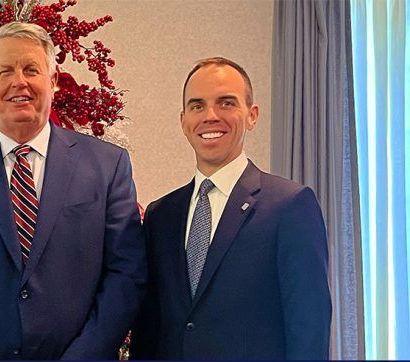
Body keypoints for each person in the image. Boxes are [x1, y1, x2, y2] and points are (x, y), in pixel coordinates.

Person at [0, 22, 146, 360]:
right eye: (5, 71)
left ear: (54, 81)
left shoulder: (108, 166)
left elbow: (126, 273)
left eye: (31, 69)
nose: (19, 81)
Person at [130, 57, 331, 359]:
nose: (210, 116)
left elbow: (309, 329)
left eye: (226, 103)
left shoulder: (290, 206)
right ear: (183, 120)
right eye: (197, 106)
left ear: (252, 115)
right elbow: (149, 328)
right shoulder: (161, 216)